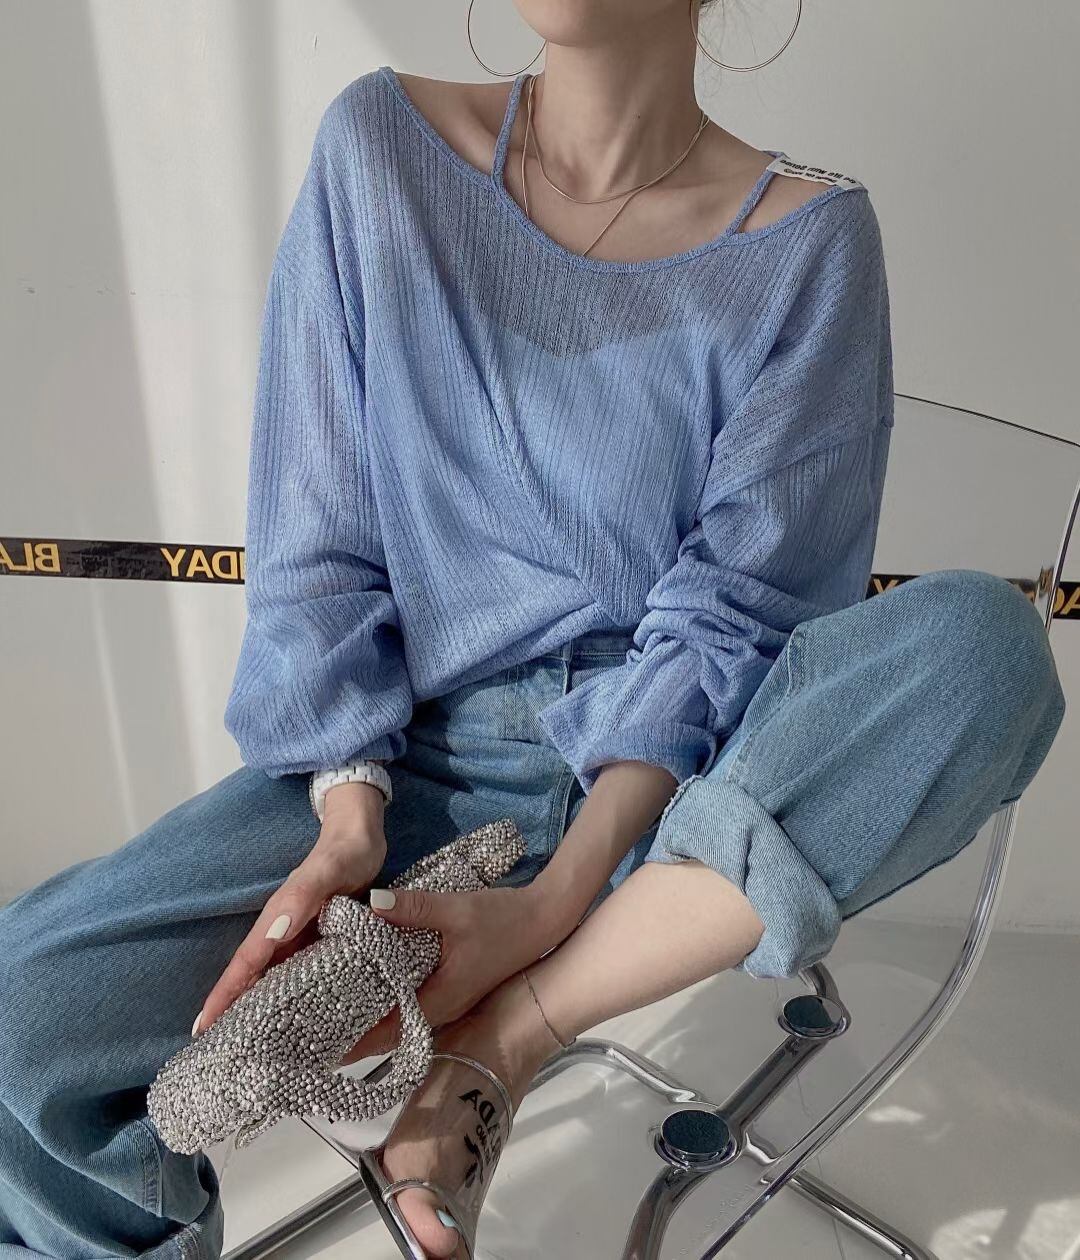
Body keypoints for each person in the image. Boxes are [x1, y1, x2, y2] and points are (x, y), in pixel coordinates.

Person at [0, 3, 1067, 1258]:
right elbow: (319, 537)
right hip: (412, 772)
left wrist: (556, 905)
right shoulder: (380, 151)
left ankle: (502, 1041)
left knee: (986, 651)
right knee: (24, 1019)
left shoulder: (810, 244)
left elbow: (737, 621)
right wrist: (350, 821)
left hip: (691, 792)